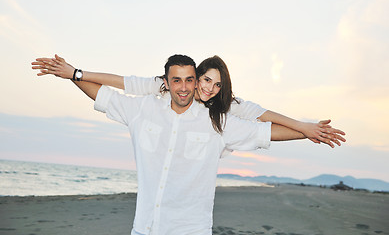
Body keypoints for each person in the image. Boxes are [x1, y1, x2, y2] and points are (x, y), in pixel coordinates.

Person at [32, 54, 336, 235]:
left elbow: (266, 129)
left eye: (191, 80)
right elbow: (105, 93)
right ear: (166, 81)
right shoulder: (144, 109)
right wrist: (73, 74)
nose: (188, 86)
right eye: (178, 80)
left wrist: (306, 130)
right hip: (145, 228)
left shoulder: (219, 121)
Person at [32, 54, 346, 147]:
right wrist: (76, 72)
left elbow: (263, 117)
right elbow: (121, 84)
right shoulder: (166, 87)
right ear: (195, 78)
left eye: (217, 84)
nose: (209, 88)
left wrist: (306, 129)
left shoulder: (228, 108)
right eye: (206, 80)